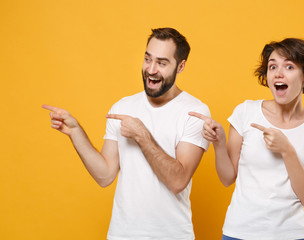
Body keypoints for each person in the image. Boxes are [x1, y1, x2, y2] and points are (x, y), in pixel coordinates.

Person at [43, 28, 210, 240]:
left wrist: (142, 135)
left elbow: (178, 181)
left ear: (181, 66)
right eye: (147, 59)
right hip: (122, 235)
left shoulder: (195, 112)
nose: (151, 69)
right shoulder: (123, 107)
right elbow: (104, 176)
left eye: (161, 62)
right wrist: (76, 132)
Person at [190, 38, 304, 240]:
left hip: (293, 235)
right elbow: (227, 178)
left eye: (289, 66)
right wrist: (219, 143)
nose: (278, 73)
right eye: (272, 66)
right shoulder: (246, 112)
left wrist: (287, 150)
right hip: (239, 233)